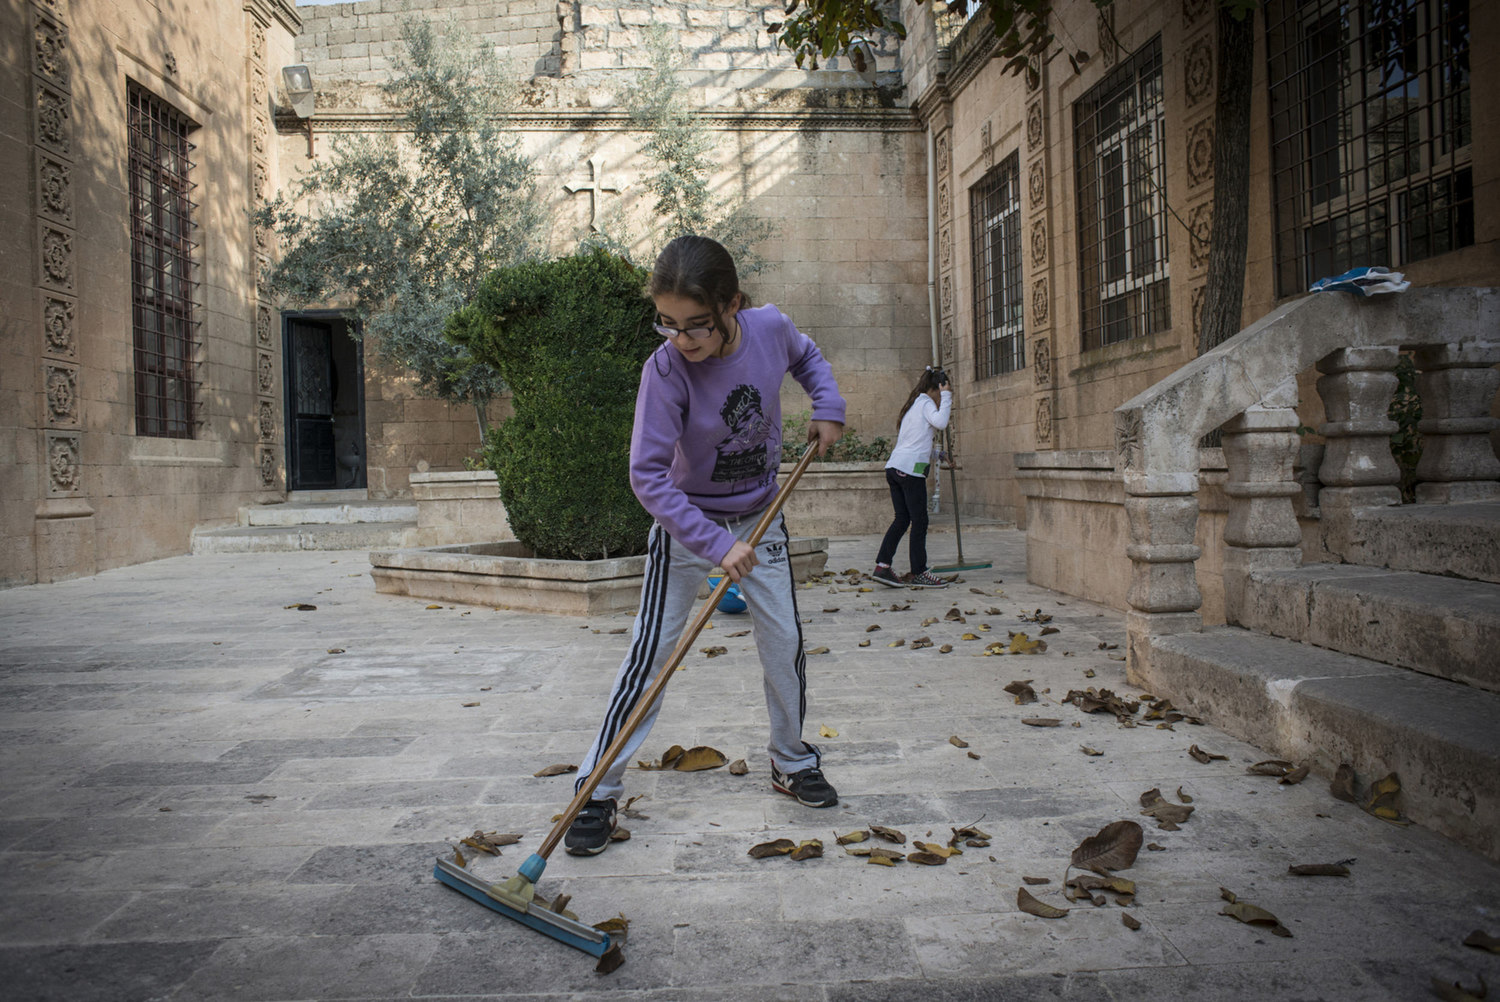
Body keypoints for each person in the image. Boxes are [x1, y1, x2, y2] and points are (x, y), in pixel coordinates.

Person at [565, 234, 847, 856]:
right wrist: (713, 545)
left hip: (760, 517)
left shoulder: (770, 328)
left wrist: (827, 405)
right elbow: (648, 476)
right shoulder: (664, 371)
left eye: (696, 325)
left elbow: (807, 356)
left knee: (784, 642)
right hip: (687, 527)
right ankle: (598, 788)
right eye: (667, 324)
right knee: (651, 658)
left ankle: (792, 761)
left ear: (732, 307)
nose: (681, 339)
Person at [871, 366, 952, 590]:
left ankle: (882, 566)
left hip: (896, 467)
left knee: (902, 519)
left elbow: (915, 443)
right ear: (936, 388)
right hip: (909, 472)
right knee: (920, 521)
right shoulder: (926, 403)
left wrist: (939, 455)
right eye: (941, 391)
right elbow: (942, 422)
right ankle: (919, 572)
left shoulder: (914, 405)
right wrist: (947, 396)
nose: (941, 398)